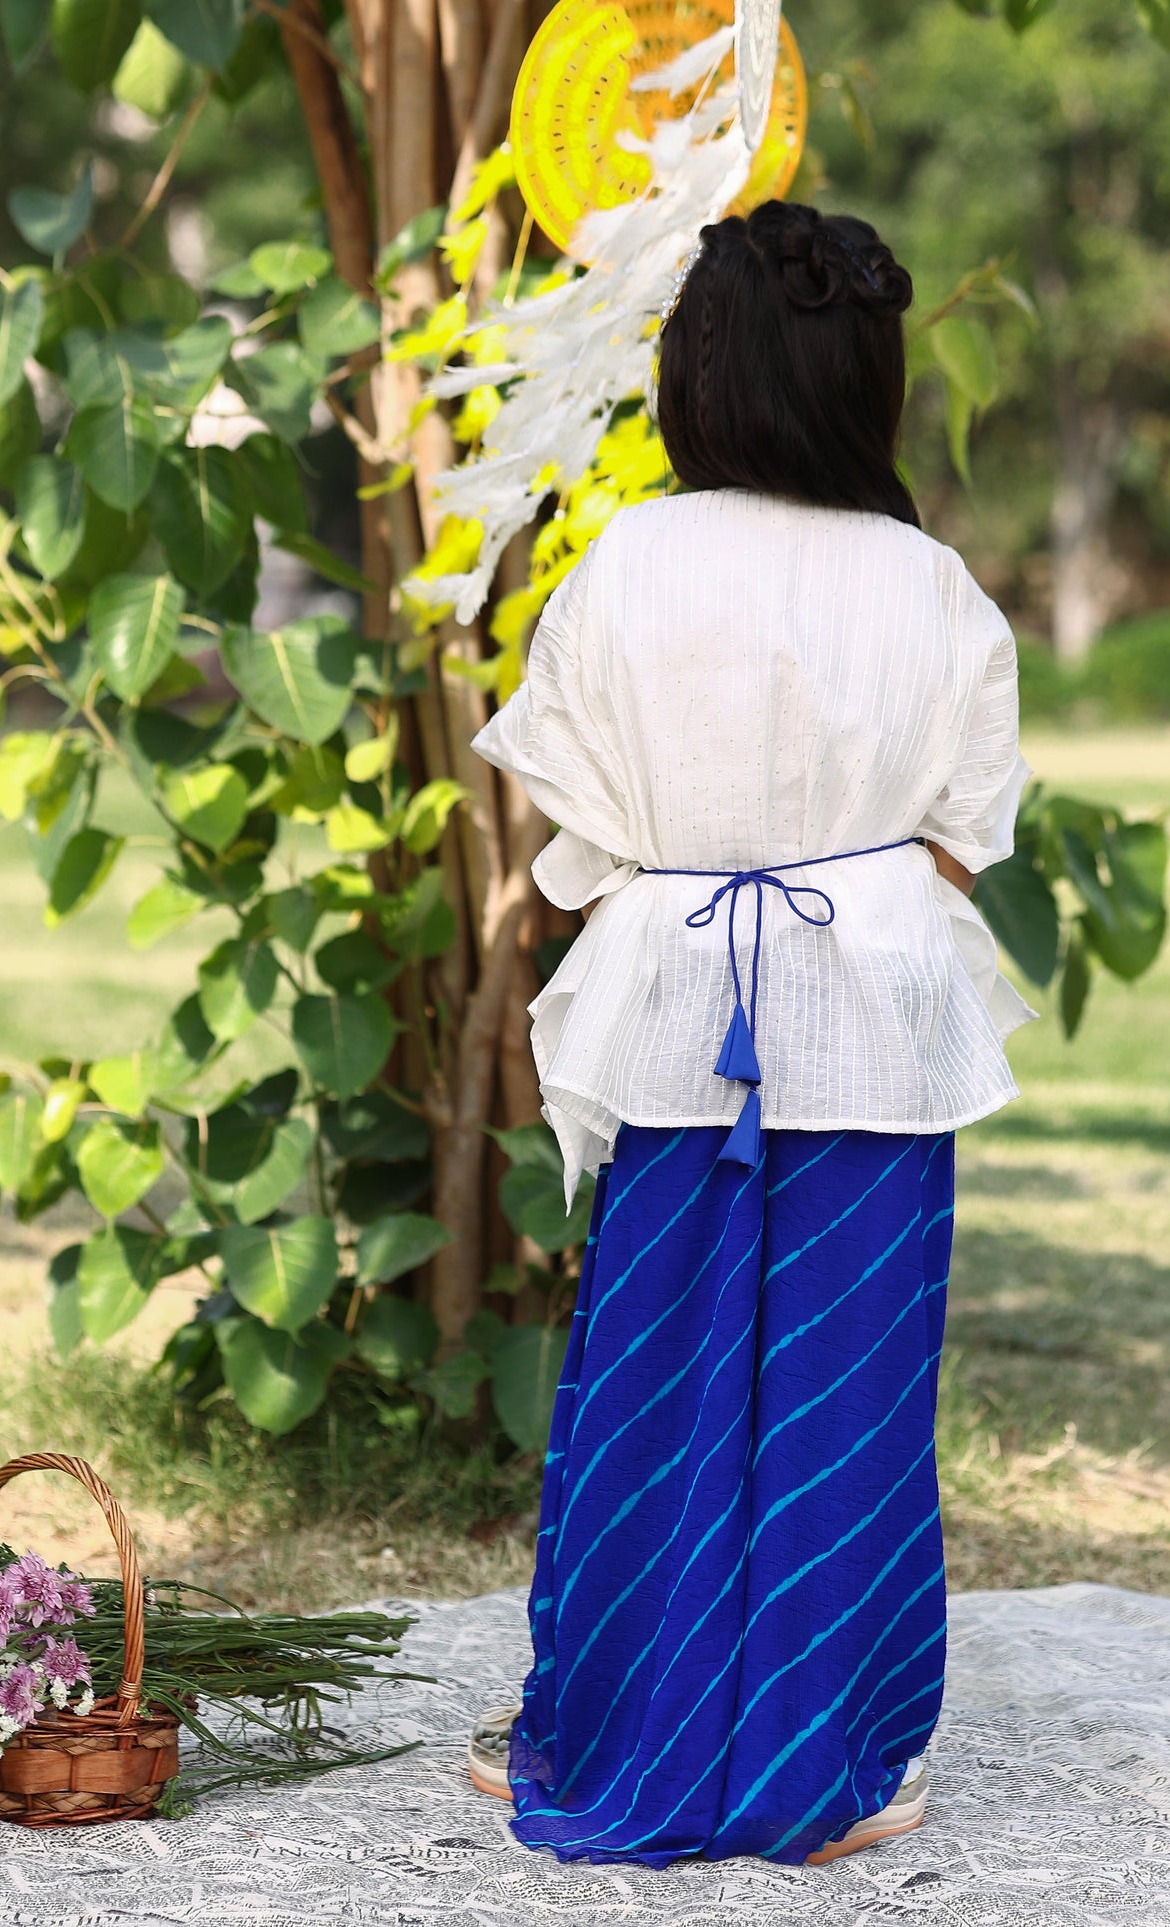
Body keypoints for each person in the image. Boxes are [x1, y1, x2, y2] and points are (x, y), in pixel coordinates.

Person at [464, 199, 1034, 1868]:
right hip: (873, 1024)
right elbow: (954, 836)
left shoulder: (628, 563)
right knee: (849, 1401)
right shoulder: (933, 589)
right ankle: (830, 1766)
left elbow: (573, 834)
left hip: (670, 1016)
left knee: (646, 1378)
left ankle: (599, 1725)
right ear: (869, 381)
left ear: (692, 378)